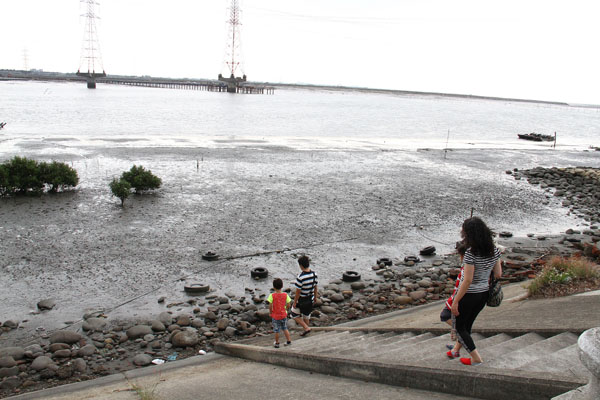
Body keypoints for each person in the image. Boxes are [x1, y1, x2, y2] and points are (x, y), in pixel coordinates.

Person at [449, 217, 502, 366]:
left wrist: (456, 300)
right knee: (468, 325)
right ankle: (456, 351)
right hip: (483, 293)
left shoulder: (471, 253)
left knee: (459, 328)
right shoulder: (494, 250)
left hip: (469, 294)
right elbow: (498, 274)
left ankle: (476, 358)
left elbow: (467, 280)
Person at [441, 241, 467, 358]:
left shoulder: (468, 265)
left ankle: (474, 355)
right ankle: (456, 348)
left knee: (445, 315)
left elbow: (467, 282)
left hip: (463, 298)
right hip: (477, 296)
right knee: (463, 323)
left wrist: (456, 300)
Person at [291, 255, 318, 336]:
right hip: (310, 298)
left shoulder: (300, 277)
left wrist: (295, 302)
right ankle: (306, 329)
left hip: (302, 299)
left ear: (301, 265)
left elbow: (298, 292)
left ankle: (306, 328)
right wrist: (315, 298)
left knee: (294, 314)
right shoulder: (314, 274)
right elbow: (315, 287)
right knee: (306, 315)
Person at [267, 278, 292, 348]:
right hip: (283, 315)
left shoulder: (272, 295)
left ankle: (277, 343)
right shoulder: (285, 295)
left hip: (275, 316)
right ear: (282, 286)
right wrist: (286, 310)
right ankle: (289, 340)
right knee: (285, 328)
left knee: (276, 330)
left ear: (274, 287)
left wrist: (270, 312)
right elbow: (289, 304)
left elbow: (270, 305)